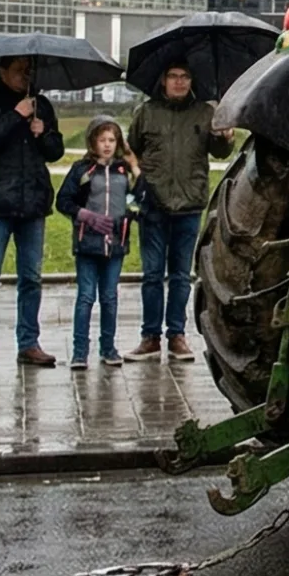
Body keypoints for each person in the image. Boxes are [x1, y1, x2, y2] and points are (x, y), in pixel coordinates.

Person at [123, 61, 231, 362]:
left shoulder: (204, 113)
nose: (179, 82)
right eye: (173, 76)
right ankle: (150, 337)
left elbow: (220, 152)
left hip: (189, 204)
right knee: (152, 275)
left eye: (185, 76)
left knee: (182, 275)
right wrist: (138, 177)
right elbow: (131, 149)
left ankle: (177, 335)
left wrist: (225, 136)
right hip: (153, 205)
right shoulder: (146, 112)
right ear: (163, 80)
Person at [0, 56, 63, 370]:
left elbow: (56, 151)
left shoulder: (41, 105)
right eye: (20, 71)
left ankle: (29, 343)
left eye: (29, 71)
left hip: (33, 202)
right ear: (2, 72)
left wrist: (43, 132)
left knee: (31, 278)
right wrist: (15, 116)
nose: (26, 76)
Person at [55, 120, 138, 370]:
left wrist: (135, 168)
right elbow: (63, 200)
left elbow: (139, 197)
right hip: (88, 243)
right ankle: (80, 351)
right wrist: (85, 216)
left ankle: (108, 348)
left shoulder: (123, 170)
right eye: (102, 140)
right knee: (86, 296)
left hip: (116, 243)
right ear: (93, 142)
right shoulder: (83, 170)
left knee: (110, 297)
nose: (107, 145)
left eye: (112, 140)